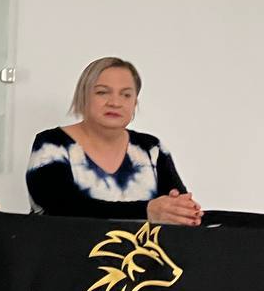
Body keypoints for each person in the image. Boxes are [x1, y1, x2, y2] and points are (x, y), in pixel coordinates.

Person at [26, 56, 201, 224]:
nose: (115, 102)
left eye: (126, 95)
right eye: (102, 92)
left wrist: (184, 212)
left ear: (135, 102)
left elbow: (177, 208)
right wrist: (146, 211)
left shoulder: (151, 148)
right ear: (83, 96)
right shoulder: (52, 144)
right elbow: (62, 208)